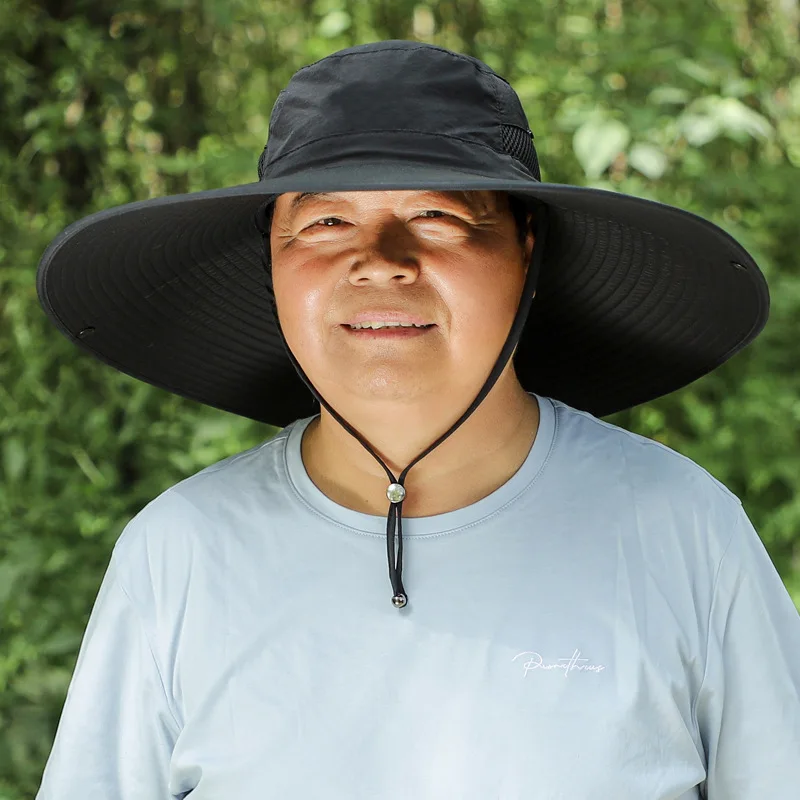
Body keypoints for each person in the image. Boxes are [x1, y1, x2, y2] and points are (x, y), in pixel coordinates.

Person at [35, 40, 799, 799]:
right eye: (327, 223)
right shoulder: (181, 555)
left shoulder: (681, 530)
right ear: (271, 255)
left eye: (436, 215)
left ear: (526, 249)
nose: (381, 260)